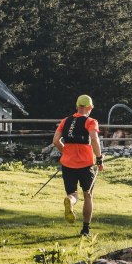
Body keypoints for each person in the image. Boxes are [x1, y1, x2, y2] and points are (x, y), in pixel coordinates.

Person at [52, 94, 103, 237]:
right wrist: (99, 158)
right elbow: (94, 139)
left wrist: (66, 152)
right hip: (85, 164)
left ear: (76, 107)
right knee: (88, 195)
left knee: (72, 194)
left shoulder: (65, 121)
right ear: (90, 108)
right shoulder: (91, 121)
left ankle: (70, 201)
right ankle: (86, 229)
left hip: (68, 164)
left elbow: (56, 141)